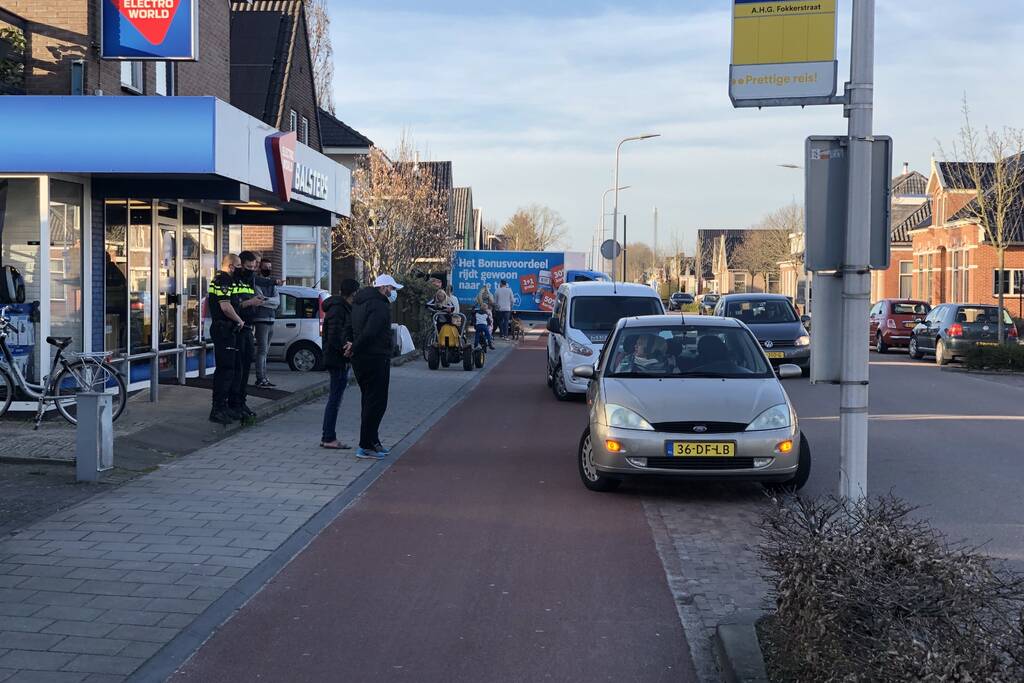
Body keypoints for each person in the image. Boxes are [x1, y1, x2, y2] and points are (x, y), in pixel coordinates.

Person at [350, 274, 402, 460]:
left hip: (361, 358)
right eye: (392, 289)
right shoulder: (379, 305)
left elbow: (355, 328)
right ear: (384, 288)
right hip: (376, 356)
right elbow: (371, 331)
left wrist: (352, 346)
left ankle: (372, 441)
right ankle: (366, 444)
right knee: (377, 402)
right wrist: (356, 346)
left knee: (368, 399)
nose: (393, 292)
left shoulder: (359, 302)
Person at [207, 254, 259, 424]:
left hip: (230, 329)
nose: (240, 269)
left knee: (234, 368)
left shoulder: (225, 279)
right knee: (226, 369)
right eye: (238, 266)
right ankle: (218, 409)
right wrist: (239, 320)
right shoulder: (223, 280)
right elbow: (226, 306)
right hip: (224, 328)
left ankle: (227, 407)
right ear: (230, 266)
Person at [320, 278, 360, 450]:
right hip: (337, 359)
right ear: (354, 293)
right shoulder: (338, 309)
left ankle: (328, 436)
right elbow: (335, 335)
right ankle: (328, 437)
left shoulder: (340, 307)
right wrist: (346, 351)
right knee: (335, 398)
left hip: (338, 358)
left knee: (335, 397)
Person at [232, 251, 265, 418]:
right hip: (237, 330)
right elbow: (232, 305)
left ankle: (241, 402)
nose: (252, 270)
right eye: (248, 267)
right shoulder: (233, 281)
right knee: (237, 369)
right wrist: (250, 302)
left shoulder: (249, 280)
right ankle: (234, 404)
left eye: (254, 267)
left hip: (248, 327)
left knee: (245, 368)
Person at [252, 256, 280, 388]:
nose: (267, 269)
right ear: (259, 268)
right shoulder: (257, 283)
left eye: (269, 267)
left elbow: (277, 302)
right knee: (262, 351)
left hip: (271, 319)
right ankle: (260, 378)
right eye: (265, 267)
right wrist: (268, 301)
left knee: (266, 351)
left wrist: (266, 301)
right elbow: (259, 299)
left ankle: (265, 378)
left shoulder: (271, 283)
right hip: (261, 319)